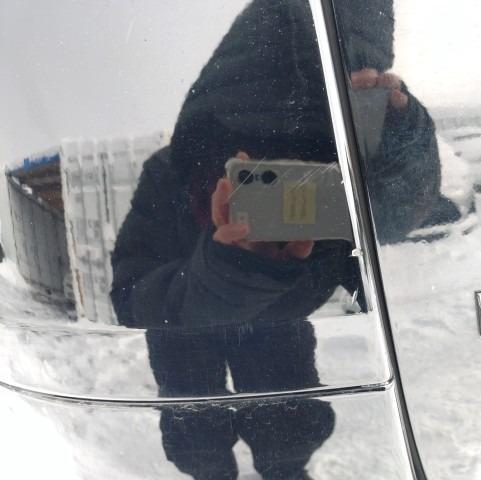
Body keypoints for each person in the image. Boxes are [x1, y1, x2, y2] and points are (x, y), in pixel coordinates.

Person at [110, 0, 446, 478]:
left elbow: (392, 219)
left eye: (301, 144)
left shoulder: (340, 164)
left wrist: (403, 138)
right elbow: (131, 292)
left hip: (279, 327)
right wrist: (229, 274)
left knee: (286, 430)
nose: (285, 159)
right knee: (198, 435)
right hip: (188, 335)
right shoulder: (173, 171)